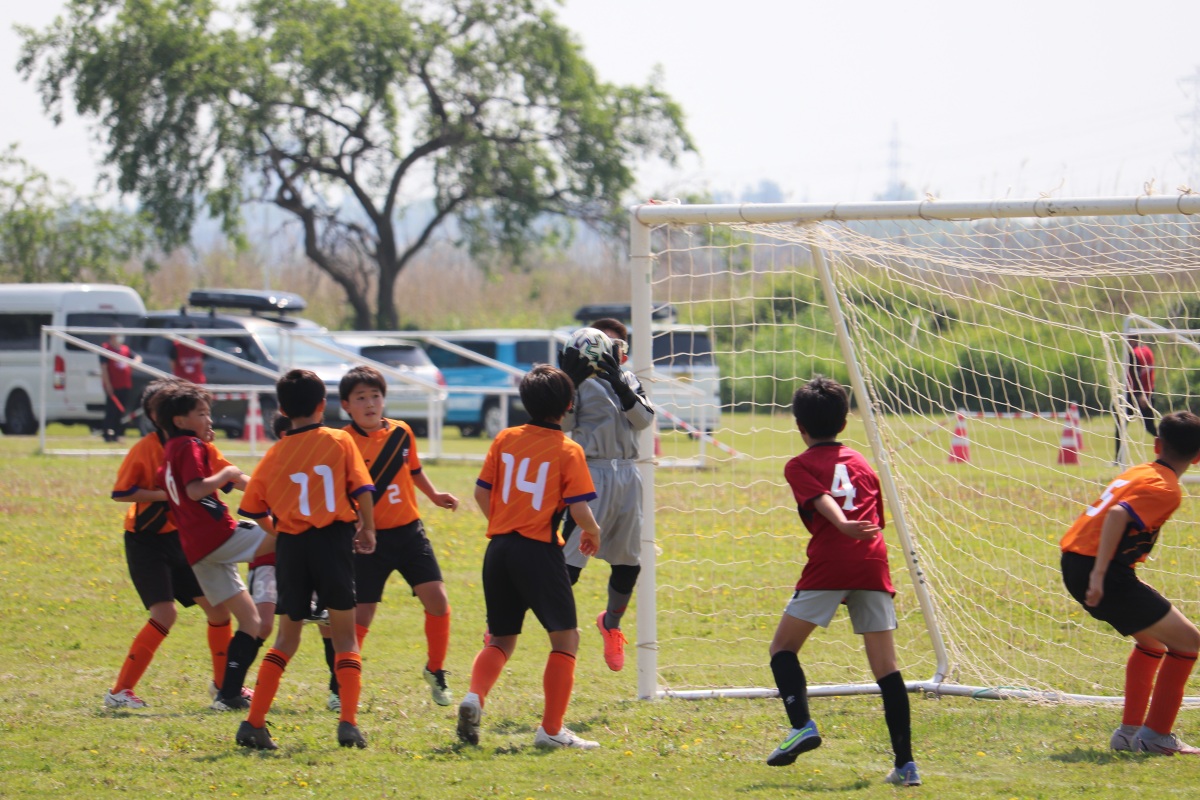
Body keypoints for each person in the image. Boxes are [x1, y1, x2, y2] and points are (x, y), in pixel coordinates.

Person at [766, 376, 919, 787]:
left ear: (800, 426)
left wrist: (840, 525)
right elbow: (874, 519)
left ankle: (801, 726)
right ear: (845, 422)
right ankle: (906, 765)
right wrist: (853, 531)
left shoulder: (799, 465)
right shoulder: (863, 464)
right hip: (872, 562)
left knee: (782, 649)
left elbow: (821, 499)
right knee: (886, 667)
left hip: (832, 562)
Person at [457, 364, 603, 750]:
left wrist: (503, 522)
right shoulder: (568, 449)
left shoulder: (505, 438)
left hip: (499, 550)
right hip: (538, 551)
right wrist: (593, 531)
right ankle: (551, 731)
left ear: (524, 401)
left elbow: (481, 493)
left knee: (501, 638)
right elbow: (579, 508)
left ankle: (474, 697)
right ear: (568, 405)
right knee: (566, 639)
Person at [235, 369, 377, 750]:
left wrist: (279, 529)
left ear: (282, 409)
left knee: (286, 637)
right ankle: (348, 723)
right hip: (332, 542)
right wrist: (368, 528)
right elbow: (363, 488)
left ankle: (254, 722)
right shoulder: (340, 440)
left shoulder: (276, 452)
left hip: (292, 548)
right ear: (322, 405)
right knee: (345, 637)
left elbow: (252, 507)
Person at [1062, 410, 1200, 755]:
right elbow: (1117, 514)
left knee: (1153, 642)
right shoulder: (1167, 488)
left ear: (1157, 445)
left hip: (1076, 561)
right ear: (1198, 457)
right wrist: (1098, 576)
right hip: (1100, 570)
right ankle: (1155, 736)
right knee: (1189, 643)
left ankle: (1129, 734)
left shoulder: (1140, 470)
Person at [104, 378, 244, 709]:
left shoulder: (198, 446)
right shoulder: (146, 448)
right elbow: (122, 492)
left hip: (183, 540)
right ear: (160, 415)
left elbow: (233, 478)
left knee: (218, 609)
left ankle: (224, 687)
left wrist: (271, 493)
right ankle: (120, 692)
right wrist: (169, 494)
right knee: (165, 614)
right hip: (146, 541)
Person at [339, 365, 460, 707]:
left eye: (375, 396)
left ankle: (435, 670)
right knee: (362, 616)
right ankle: (340, 685)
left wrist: (434, 495)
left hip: (409, 533)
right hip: (368, 539)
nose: (370, 403)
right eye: (360, 398)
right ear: (346, 405)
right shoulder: (342, 441)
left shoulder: (401, 432)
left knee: (438, 601)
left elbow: (414, 470)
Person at [156, 382, 275, 712]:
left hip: (198, 552)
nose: (209, 420)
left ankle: (228, 694)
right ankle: (312, 602)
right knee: (290, 533)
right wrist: (227, 474)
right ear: (180, 421)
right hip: (218, 537)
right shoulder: (190, 445)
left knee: (251, 622)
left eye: (209, 413)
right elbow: (196, 490)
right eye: (202, 414)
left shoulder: (170, 451)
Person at [558, 318, 655, 672]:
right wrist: (569, 385)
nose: (604, 354)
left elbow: (644, 420)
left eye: (613, 347)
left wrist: (619, 384)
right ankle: (511, 622)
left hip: (628, 474)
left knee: (628, 563)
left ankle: (611, 624)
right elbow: (564, 425)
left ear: (622, 354)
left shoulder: (629, 381)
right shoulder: (577, 385)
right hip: (590, 473)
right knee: (568, 564)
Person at [1115, 333, 1157, 462]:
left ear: (1133, 339)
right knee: (1149, 427)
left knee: (1120, 424)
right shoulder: (1147, 351)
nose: (1126, 342)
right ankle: (1118, 458)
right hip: (1149, 392)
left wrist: (1140, 395)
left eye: (1128, 339)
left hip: (1135, 395)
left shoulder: (1134, 354)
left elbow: (1135, 377)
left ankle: (1118, 459)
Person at [100, 328, 139, 443]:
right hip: (113, 385)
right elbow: (104, 368)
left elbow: (137, 357)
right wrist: (108, 385)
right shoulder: (106, 349)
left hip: (125, 385)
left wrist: (132, 364)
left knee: (121, 411)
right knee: (111, 411)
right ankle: (107, 434)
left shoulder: (125, 349)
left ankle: (117, 434)